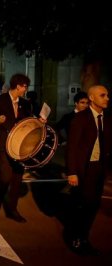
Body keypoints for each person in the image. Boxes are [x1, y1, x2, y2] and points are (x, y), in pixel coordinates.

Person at [63, 85, 111, 256]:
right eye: (102, 95)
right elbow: (72, 148)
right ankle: (76, 238)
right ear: (92, 98)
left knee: (94, 204)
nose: (107, 98)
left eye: (107, 95)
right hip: (84, 169)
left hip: (100, 168)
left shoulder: (107, 118)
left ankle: (84, 237)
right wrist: (72, 172)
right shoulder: (81, 118)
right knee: (83, 205)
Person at [0, 73, 40, 223]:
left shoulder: (25, 103)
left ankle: (12, 209)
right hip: (4, 143)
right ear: (18, 86)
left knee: (17, 178)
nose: (26, 89)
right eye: (25, 86)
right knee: (5, 176)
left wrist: (38, 122)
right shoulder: (0, 100)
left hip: (21, 146)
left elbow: (28, 122)